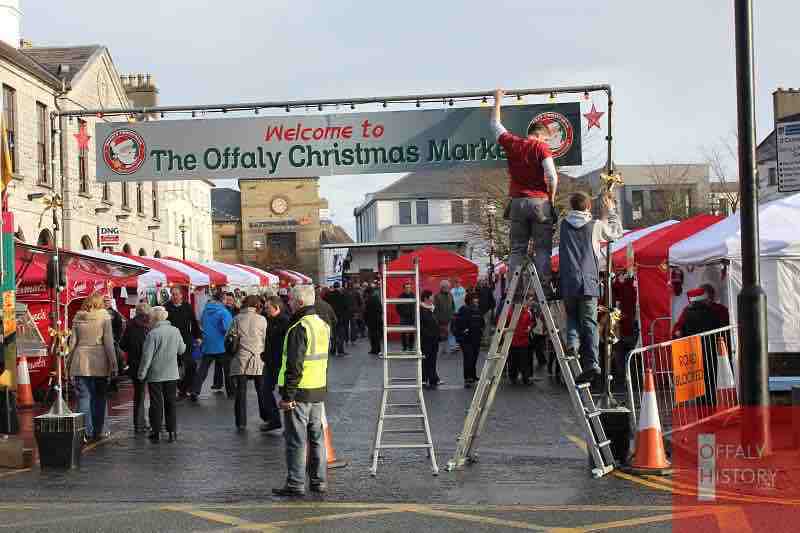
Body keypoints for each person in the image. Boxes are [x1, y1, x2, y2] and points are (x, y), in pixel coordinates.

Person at [492, 88, 560, 292]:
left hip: (517, 203)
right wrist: (552, 200)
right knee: (542, 250)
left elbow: (495, 124)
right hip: (539, 203)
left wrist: (497, 100)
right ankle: (544, 288)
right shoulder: (541, 148)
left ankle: (515, 288)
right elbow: (552, 176)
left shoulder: (513, 144)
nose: (547, 143)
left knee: (517, 249)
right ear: (539, 135)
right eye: (547, 139)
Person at [558, 191, 623, 384]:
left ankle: (572, 343)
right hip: (588, 281)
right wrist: (611, 210)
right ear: (587, 207)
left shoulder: (563, 225)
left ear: (572, 206)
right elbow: (615, 233)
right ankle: (592, 363)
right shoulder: (594, 226)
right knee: (590, 324)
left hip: (569, 281)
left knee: (571, 315)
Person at [273, 285, 331, 497]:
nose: (287, 303)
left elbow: (294, 365)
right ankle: (319, 481)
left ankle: (295, 483)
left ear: (299, 302)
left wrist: (287, 395)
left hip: (299, 392)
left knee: (296, 439)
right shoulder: (322, 325)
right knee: (317, 438)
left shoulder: (299, 327)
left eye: (290, 300)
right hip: (317, 389)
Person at [67, 292, 118, 442]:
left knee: (83, 397)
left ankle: (84, 432)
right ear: (100, 303)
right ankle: (99, 429)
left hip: (80, 360)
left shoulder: (78, 317)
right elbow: (108, 342)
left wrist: (68, 362)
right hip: (100, 361)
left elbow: (72, 343)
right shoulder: (104, 317)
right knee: (100, 397)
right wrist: (113, 363)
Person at [138, 306, 185, 443]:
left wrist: (141, 374)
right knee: (171, 402)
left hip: (156, 374)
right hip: (171, 373)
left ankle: (156, 431)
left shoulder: (153, 334)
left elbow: (147, 357)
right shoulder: (175, 331)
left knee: (156, 403)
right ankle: (172, 431)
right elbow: (182, 350)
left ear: (154, 319)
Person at [229, 295, 268, 431]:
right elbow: (265, 338)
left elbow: (229, 336)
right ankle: (266, 416)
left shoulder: (237, 319)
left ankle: (241, 422)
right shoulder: (262, 319)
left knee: (241, 391)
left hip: (241, 358)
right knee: (261, 390)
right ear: (257, 305)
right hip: (258, 358)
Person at [192, 290, 234, 402]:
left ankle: (195, 391)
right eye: (225, 299)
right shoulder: (223, 312)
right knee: (227, 370)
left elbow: (200, 323)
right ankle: (231, 391)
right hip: (221, 344)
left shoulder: (206, 310)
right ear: (222, 300)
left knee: (202, 370)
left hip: (208, 344)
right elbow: (228, 328)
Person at [119, 302, 151, 433]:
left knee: (139, 394)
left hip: (135, 364)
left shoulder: (130, 325)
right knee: (155, 394)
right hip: (149, 363)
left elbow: (122, 345)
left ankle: (138, 424)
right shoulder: (150, 325)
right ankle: (152, 422)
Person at [164, 287, 201, 400]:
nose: (174, 296)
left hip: (186, 340)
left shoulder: (187, 307)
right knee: (175, 367)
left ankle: (186, 387)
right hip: (171, 341)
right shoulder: (167, 307)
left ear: (181, 295)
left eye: (176, 294)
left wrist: (198, 336)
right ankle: (179, 389)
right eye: (173, 294)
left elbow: (193, 322)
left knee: (191, 364)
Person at [262, 295, 290, 433]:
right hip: (270, 362)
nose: (265, 310)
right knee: (265, 390)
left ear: (276, 308)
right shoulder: (268, 320)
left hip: (281, 363)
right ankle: (274, 420)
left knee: (285, 394)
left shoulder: (285, 322)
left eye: (267, 308)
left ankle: (288, 425)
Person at [452, 293, 485, 388]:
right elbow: (459, 323)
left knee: (474, 358)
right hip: (466, 339)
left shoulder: (478, 310)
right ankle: (467, 378)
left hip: (476, 338)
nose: (477, 300)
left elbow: (482, 322)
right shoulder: (464, 309)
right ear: (470, 300)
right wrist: (464, 330)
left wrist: (481, 330)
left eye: (477, 298)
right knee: (468, 358)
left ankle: (473, 376)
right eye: (475, 299)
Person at [507, 302, 533, 385]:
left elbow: (531, 322)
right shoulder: (510, 312)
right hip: (513, 340)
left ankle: (525, 378)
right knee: (513, 361)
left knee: (524, 361)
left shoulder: (527, 312)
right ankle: (513, 377)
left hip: (523, 341)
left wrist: (529, 327)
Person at [103, 295, 126, 389]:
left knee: (117, 358)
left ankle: (114, 380)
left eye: (107, 301)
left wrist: (116, 339)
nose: (106, 303)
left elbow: (120, 328)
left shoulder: (115, 314)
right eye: (104, 301)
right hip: (101, 341)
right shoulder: (99, 313)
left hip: (113, 341)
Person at [419, 290, 441, 388]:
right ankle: (424, 379)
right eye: (432, 296)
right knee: (426, 359)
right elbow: (422, 326)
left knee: (433, 359)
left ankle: (433, 378)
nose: (433, 298)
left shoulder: (432, 308)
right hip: (426, 339)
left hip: (434, 339)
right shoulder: (421, 310)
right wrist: (428, 335)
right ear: (426, 298)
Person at [324, 282, 351, 356]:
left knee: (333, 334)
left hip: (331, 318)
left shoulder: (328, 296)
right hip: (340, 318)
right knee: (340, 335)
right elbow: (346, 307)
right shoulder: (342, 296)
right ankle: (340, 350)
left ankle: (333, 349)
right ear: (339, 287)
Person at [433, 280, 456, 356]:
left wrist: (452, 314)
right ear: (442, 287)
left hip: (449, 318)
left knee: (447, 333)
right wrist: (436, 317)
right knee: (441, 334)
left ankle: (446, 348)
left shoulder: (450, 295)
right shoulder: (437, 296)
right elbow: (434, 308)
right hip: (440, 319)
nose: (448, 288)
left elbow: (453, 306)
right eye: (446, 287)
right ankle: (441, 349)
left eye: (448, 287)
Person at [314, 287, 338, 355]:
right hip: (326, 328)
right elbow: (334, 318)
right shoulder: (326, 305)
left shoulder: (311, 306)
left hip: (315, 329)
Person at [364, 285, 383, 355]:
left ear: (368, 293)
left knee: (372, 335)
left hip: (371, 320)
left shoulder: (368, 300)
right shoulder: (377, 299)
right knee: (376, 335)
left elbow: (366, 311)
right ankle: (377, 349)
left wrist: (365, 319)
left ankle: (374, 349)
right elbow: (380, 309)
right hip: (377, 319)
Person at [397, 282, 416, 352]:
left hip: (412, 316)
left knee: (412, 332)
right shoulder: (400, 296)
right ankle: (404, 346)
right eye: (406, 288)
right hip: (404, 317)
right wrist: (402, 314)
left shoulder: (413, 295)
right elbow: (398, 307)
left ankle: (411, 346)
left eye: (409, 287)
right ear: (404, 289)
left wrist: (414, 314)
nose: (408, 289)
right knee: (403, 332)